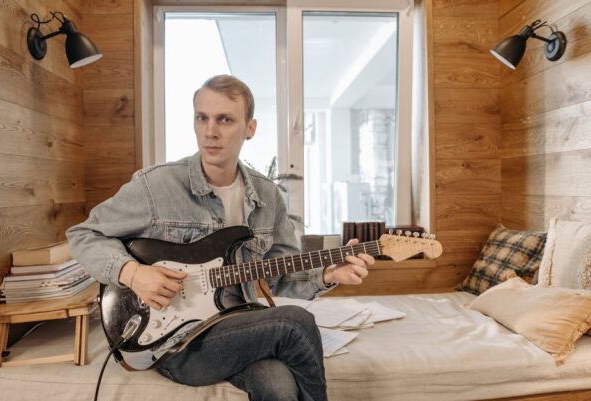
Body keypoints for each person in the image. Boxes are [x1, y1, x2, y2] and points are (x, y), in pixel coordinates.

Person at [66, 74, 374, 401]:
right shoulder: (157, 187)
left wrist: (329, 273)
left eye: (225, 120)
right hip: (174, 341)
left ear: (250, 128)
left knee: (278, 384)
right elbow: (83, 235)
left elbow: (280, 275)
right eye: (202, 118)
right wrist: (134, 273)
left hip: (237, 326)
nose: (210, 131)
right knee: (295, 323)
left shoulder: (267, 196)